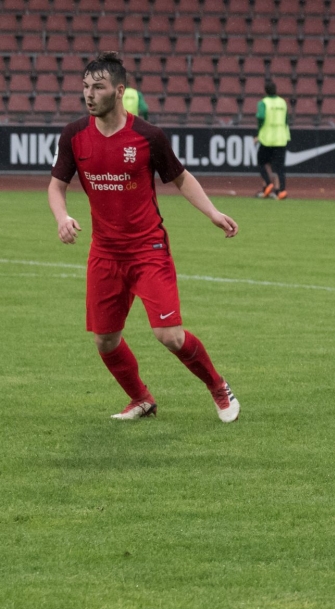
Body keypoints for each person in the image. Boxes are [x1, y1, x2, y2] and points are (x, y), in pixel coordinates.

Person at [47, 52, 240, 423]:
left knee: (169, 335)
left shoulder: (148, 136)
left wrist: (213, 213)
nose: (89, 94)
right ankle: (141, 399)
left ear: (119, 91)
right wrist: (62, 217)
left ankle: (218, 386)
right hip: (104, 253)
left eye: (98, 87)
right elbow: (56, 186)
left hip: (148, 249)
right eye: (85, 87)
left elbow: (180, 178)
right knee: (105, 340)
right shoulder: (74, 135)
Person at [254, 80, 290, 200]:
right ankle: (281, 191)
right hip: (281, 138)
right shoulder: (282, 102)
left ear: (265, 91)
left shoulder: (263, 103)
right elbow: (286, 119)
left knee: (261, 162)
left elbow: (260, 117)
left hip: (267, 138)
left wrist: (259, 132)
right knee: (280, 167)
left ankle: (268, 183)